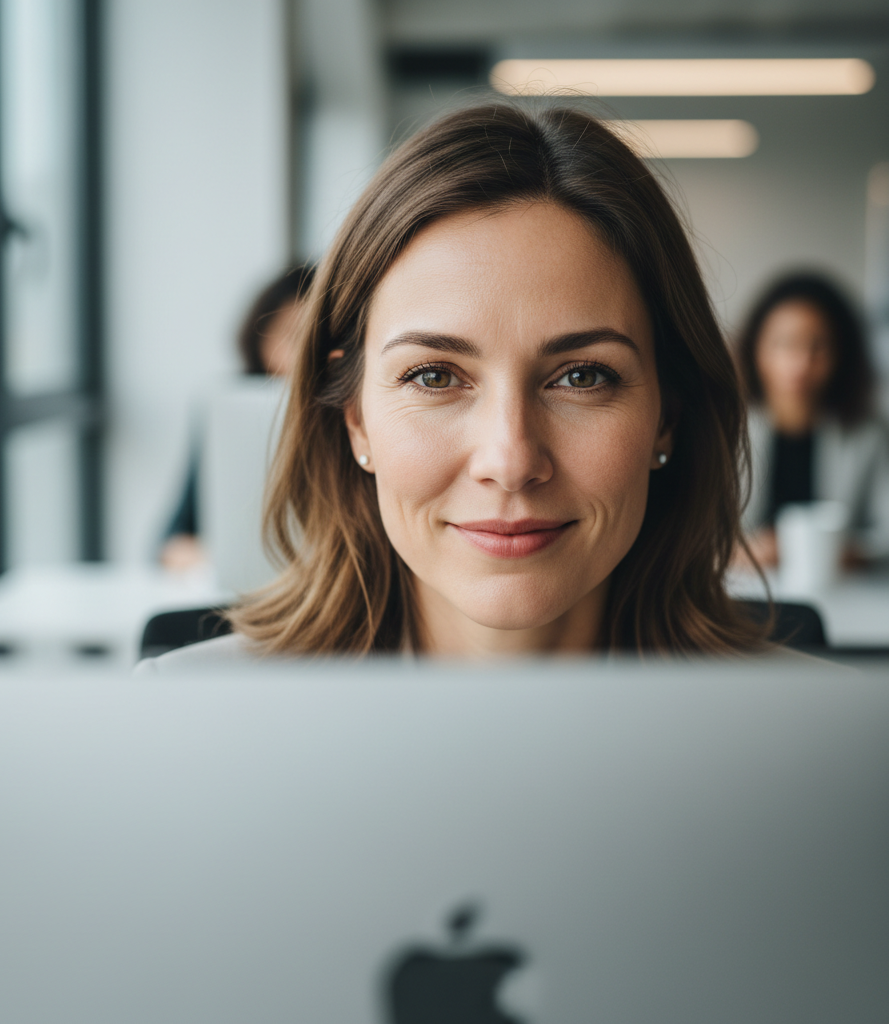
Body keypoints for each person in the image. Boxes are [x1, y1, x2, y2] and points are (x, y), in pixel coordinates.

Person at [139, 102, 771, 667]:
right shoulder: (185, 721)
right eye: (434, 376)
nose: (510, 460)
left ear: (667, 415)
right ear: (355, 416)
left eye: (582, 376)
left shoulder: (842, 756)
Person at [159, 264, 315, 571]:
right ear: (261, 340)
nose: (305, 356)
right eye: (294, 337)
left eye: (318, 339)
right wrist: (212, 560)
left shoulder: (358, 412)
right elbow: (175, 539)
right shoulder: (228, 411)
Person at [736, 272, 889, 569]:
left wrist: (845, 552)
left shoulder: (868, 435)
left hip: (842, 594)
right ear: (756, 349)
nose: (801, 363)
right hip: (744, 589)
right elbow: (696, 533)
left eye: (818, 346)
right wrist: (740, 551)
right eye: (784, 343)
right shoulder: (724, 429)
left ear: (841, 355)